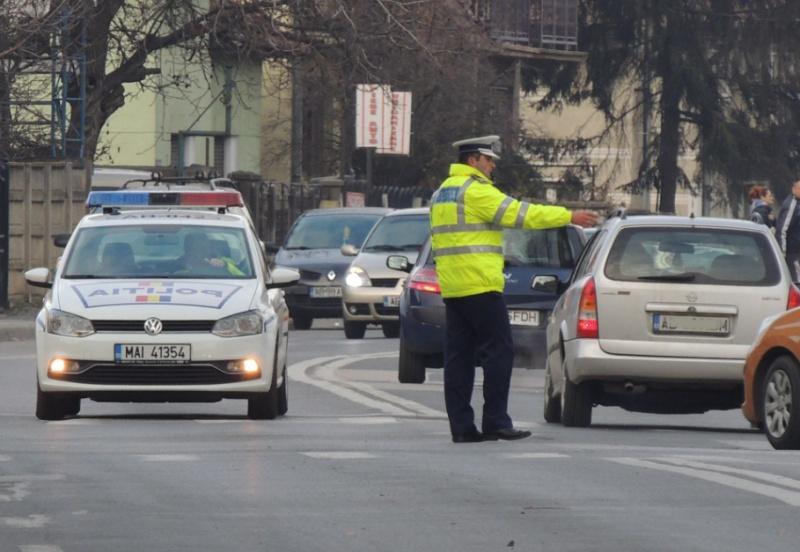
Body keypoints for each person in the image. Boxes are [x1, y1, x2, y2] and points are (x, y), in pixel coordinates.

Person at [430, 135, 598, 443]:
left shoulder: (442, 193)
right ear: (473, 161)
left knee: (459, 358)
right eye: (488, 159)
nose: (492, 165)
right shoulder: (476, 192)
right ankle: (495, 420)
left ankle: (462, 427)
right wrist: (568, 216)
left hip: (454, 287)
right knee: (500, 352)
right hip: (480, 284)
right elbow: (523, 215)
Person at [180, 233, 244, 277]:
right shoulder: (176, 264)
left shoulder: (223, 261)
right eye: (195, 248)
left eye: (203, 248)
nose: (199, 252)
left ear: (209, 247)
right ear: (186, 249)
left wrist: (225, 265)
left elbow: (242, 276)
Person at [777, 179, 800, 281]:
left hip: (796, 251)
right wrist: (782, 254)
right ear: (793, 189)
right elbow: (782, 230)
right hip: (792, 253)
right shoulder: (791, 205)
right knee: (797, 280)